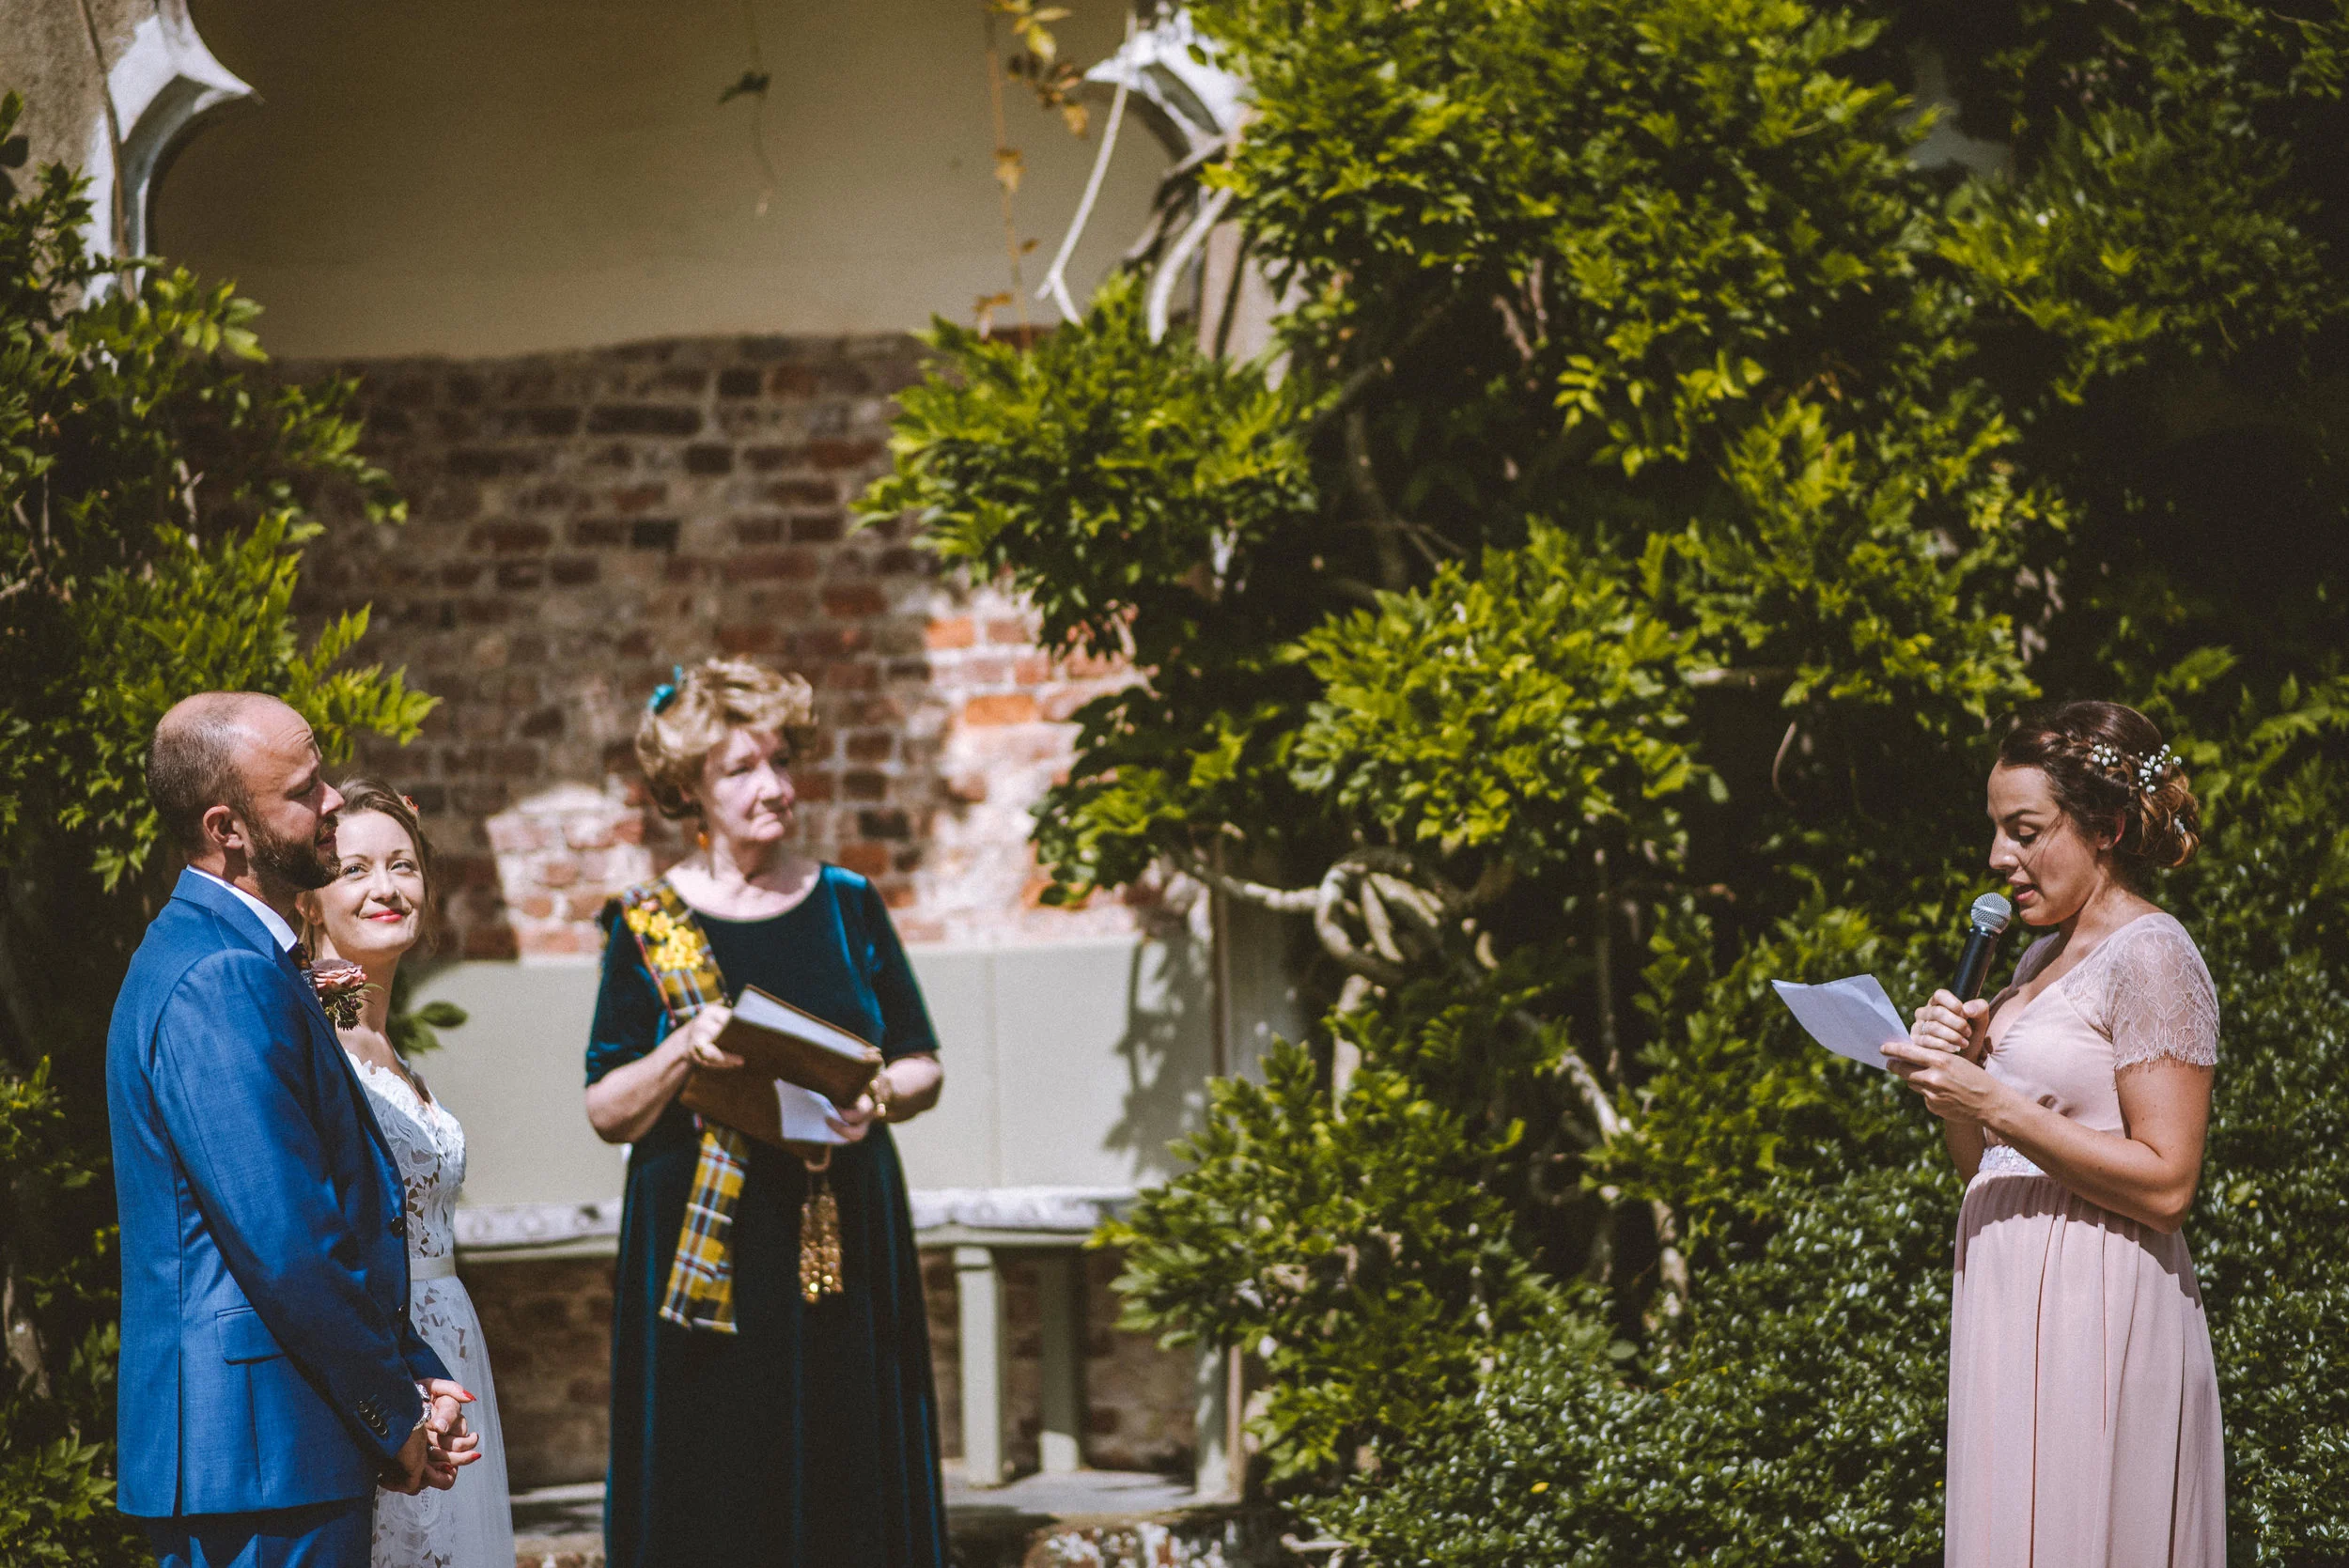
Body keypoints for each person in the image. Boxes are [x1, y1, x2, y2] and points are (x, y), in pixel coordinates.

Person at [583, 658, 950, 1568]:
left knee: (843, 1461)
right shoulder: (645, 923)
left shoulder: (847, 902)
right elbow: (605, 1105)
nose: (775, 786)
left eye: (782, 761)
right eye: (742, 768)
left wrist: (879, 1092)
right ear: (690, 791)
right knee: (716, 1474)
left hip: (835, 1227)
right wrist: (680, 1045)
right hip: (701, 1245)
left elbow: (922, 1060)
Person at [107, 692, 480, 1568]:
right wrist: (398, 1416)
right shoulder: (217, 976)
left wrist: (416, 1366)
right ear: (227, 827)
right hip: (258, 1455)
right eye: (305, 792)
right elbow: (289, 1239)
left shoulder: (249, 956)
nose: (334, 806)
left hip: (284, 1448)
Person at [1884, 700, 2224, 1566]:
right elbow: (1985, 1164)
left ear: (2106, 826)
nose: (2001, 858)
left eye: (2025, 830)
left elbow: (2168, 1183)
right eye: (1997, 831)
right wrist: (1954, 1092)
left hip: (2094, 1308)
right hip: (2005, 1305)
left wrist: (1992, 1099)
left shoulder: (2153, 952)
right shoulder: (2035, 959)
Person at [298, 780, 515, 1568]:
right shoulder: (313, 1043)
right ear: (310, 900)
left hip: (452, 1337)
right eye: (353, 869)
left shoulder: (391, 1049)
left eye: (402, 864)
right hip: (387, 1347)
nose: (386, 887)